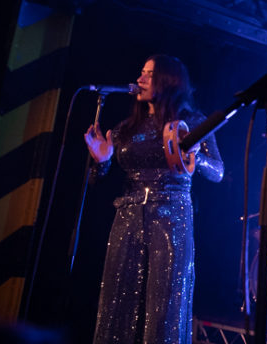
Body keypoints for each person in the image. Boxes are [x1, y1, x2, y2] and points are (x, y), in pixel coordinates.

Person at [84, 54, 224, 343]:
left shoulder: (192, 122)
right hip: (128, 217)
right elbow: (95, 180)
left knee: (165, 303)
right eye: (141, 72)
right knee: (118, 299)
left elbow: (218, 172)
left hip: (171, 217)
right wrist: (102, 161)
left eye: (149, 73)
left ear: (169, 80)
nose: (140, 79)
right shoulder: (126, 128)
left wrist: (195, 155)